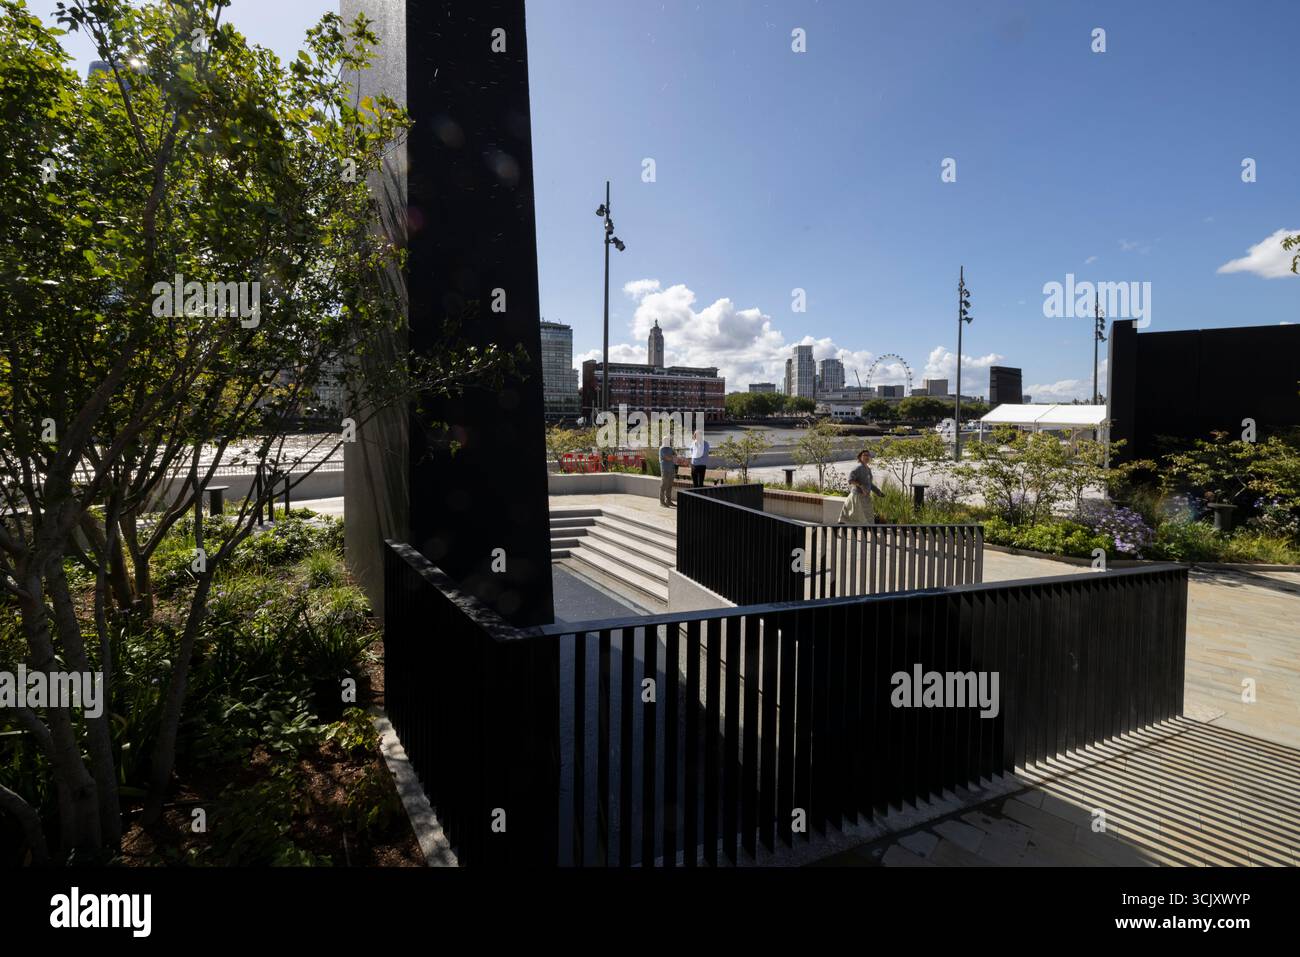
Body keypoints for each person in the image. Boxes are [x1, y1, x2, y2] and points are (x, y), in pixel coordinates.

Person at [839, 448, 882, 524]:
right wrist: (861, 486)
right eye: (865, 455)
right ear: (860, 457)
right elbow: (851, 480)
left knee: (867, 516)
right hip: (858, 496)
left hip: (865, 497)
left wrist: (878, 492)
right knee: (858, 517)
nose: (867, 457)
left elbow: (870, 484)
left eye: (868, 455)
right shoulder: (858, 468)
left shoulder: (868, 469)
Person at [658, 440, 678, 507]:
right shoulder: (662, 449)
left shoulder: (670, 448)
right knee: (663, 486)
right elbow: (668, 458)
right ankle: (662, 502)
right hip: (665, 470)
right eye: (668, 441)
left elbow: (675, 455)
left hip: (671, 469)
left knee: (669, 486)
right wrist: (673, 457)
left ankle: (668, 501)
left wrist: (673, 456)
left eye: (669, 441)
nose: (669, 442)